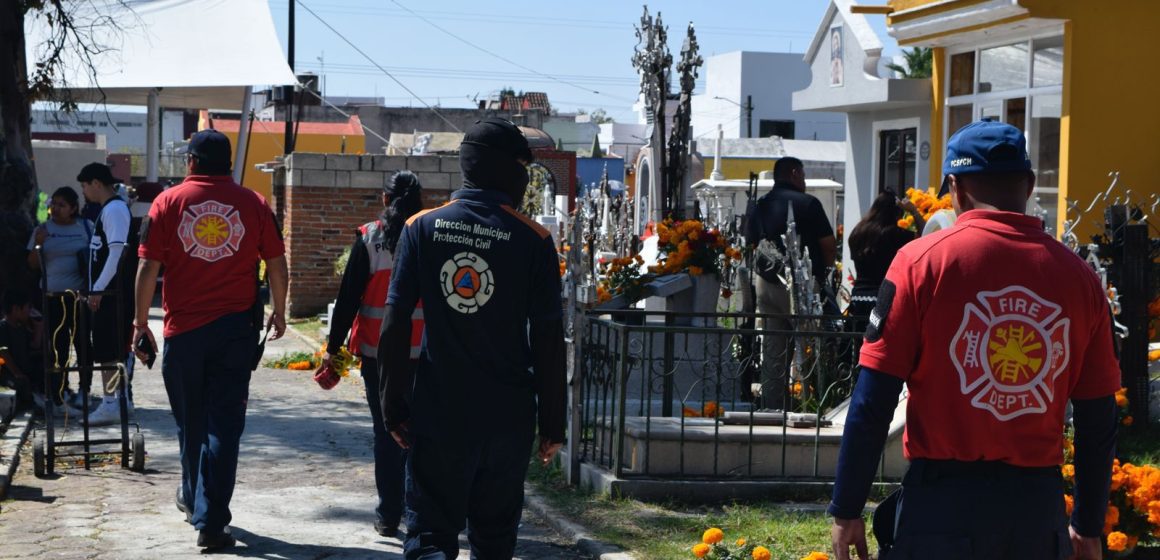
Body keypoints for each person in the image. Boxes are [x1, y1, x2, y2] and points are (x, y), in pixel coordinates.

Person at [829, 120, 1119, 560]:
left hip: (941, 511)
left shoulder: (920, 263)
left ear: (955, 188)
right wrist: (1087, 524)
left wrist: (846, 507)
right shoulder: (1081, 279)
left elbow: (873, 400)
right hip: (1036, 513)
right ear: (1029, 185)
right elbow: (1099, 419)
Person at [378, 118, 566, 560]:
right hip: (507, 416)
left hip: (440, 411)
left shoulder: (422, 228)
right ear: (509, 170)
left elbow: (396, 319)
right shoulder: (532, 239)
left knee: (429, 536)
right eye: (524, 167)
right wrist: (552, 422)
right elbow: (548, 337)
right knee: (495, 541)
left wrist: (392, 403)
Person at [133, 129, 288, 551]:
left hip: (183, 333)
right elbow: (276, 259)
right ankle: (209, 515)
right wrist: (280, 308)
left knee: (191, 424)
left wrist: (138, 323)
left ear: (192, 162)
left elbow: (147, 268)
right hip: (236, 332)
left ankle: (197, 504)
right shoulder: (255, 204)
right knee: (224, 426)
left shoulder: (167, 202)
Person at [323, 170, 425, 538]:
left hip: (377, 354)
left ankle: (389, 514)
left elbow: (348, 298)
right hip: (422, 354)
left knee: (388, 432)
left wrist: (332, 350)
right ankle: (420, 513)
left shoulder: (369, 238)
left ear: (384, 199)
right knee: (422, 431)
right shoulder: (430, 236)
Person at [744, 156, 837, 411]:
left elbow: (751, 241)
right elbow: (828, 245)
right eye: (803, 175)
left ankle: (773, 407)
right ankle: (811, 405)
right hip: (800, 285)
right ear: (795, 173)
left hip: (765, 282)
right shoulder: (809, 204)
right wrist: (825, 274)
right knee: (809, 347)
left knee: (774, 348)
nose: (804, 181)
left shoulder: (761, 205)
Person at [78, 162, 135, 426]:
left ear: (96, 184)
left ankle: (112, 402)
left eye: (85, 186)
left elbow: (116, 253)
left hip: (113, 296)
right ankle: (118, 400)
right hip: (106, 293)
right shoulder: (107, 210)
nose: (84, 191)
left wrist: (98, 290)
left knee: (109, 351)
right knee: (107, 349)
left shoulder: (114, 210)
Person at [27, 186, 92, 411]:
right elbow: (32, 264)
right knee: (58, 347)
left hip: (79, 297)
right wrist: (39, 243)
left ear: (73, 208)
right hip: (52, 298)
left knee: (83, 345)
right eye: (53, 203)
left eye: (61, 204)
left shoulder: (86, 227)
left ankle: (85, 391)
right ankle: (58, 394)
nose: (55, 208)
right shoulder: (42, 229)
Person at [845, 191, 924, 324]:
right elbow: (924, 235)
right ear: (894, 213)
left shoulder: (857, 232)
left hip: (858, 298)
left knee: (858, 342)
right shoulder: (894, 234)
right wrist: (913, 210)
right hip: (883, 300)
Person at [0, 289, 42, 411]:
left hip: (24, 370)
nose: (29, 312)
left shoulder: (22, 327)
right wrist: (17, 373)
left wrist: (39, 329)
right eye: (27, 308)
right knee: (21, 384)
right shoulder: (3, 328)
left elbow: (34, 346)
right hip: (8, 374)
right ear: (16, 309)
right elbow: (4, 353)